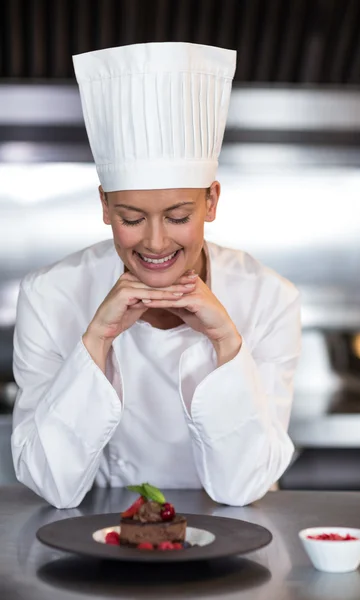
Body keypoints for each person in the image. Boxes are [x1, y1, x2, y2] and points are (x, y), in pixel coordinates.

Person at [11, 42, 301, 509]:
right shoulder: (51, 295)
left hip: (237, 544)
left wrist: (227, 341)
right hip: (102, 533)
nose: (156, 242)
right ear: (104, 206)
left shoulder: (269, 297)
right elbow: (52, 485)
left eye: (178, 215)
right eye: (130, 218)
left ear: (212, 201)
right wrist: (97, 341)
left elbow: (242, 488)